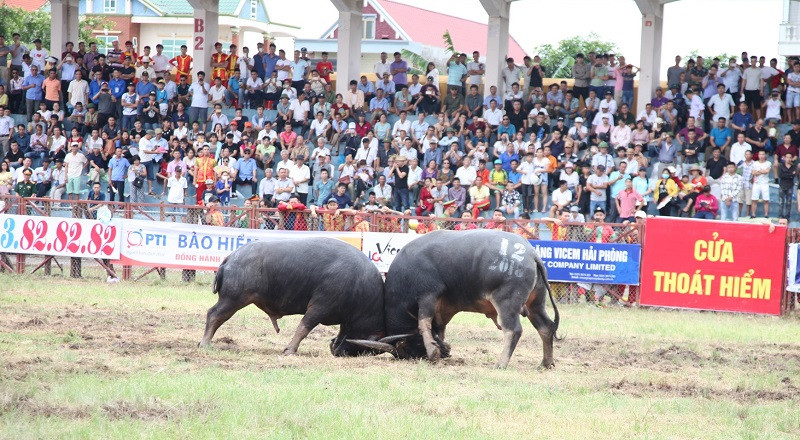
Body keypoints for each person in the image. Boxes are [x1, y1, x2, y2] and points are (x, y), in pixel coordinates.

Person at [750, 150, 771, 218]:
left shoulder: (768, 163)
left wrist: (758, 171)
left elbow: (767, 171)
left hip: (765, 183)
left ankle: (766, 215)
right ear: (758, 155)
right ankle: (753, 214)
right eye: (760, 154)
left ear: (765, 155)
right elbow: (753, 173)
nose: (761, 156)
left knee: (766, 200)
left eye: (763, 154)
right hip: (756, 183)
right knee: (754, 199)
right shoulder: (755, 163)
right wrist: (762, 171)